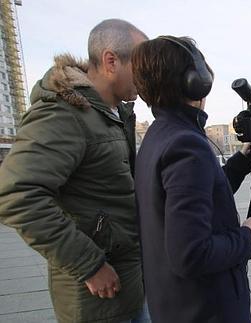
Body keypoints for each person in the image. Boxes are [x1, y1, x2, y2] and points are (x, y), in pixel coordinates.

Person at [0, 19, 148, 322]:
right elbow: (16, 195)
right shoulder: (64, 112)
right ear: (111, 61)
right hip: (96, 298)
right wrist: (89, 265)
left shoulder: (111, 112)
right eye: (141, 65)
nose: (147, 76)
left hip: (128, 284)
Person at [132, 36, 251, 323]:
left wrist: (241, 162)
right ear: (196, 80)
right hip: (207, 309)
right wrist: (248, 235)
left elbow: (200, 197)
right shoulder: (186, 143)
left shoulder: (159, 134)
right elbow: (190, 254)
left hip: (175, 306)